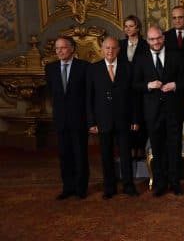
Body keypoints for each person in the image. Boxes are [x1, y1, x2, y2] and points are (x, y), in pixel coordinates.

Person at [133, 26, 184, 196]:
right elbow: (134, 84)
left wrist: (175, 85)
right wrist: (148, 85)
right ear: (147, 40)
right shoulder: (141, 59)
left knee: (174, 146)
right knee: (157, 147)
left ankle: (175, 182)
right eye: (152, 39)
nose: (156, 42)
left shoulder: (176, 55)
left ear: (163, 37)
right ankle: (160, 183)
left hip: (173, 109)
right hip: (152, 111)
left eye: (158, 38)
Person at [86, 37, 139, 199]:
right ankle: (109, 187)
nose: (110, 51)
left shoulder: (128, 67)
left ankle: (128, 186)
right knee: (106, 154)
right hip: (103, 120)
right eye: (107, 48)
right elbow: (89, 98)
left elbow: (134, 96)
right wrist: (92, 122)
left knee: (125, 154)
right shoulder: (93, 69)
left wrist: (135, 119)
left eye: (113, 48)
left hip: (124, 119)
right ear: (102, 50)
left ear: (118, 50)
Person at [44, 36, 89, 200]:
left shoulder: (84, 67)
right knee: (64, 155)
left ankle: (81, 188)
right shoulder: (50, 68)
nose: (59, 51)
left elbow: (87, 95)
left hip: (79, 119)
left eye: (63, 48)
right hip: (61, 119)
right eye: (57, 48)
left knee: (79, 154)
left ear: (72, 48)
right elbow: (52, 94)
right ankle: (67, 187)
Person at [118, 15, 149, 160]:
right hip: (125, 87)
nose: (128, 29)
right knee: (127, 116)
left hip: (141, 85)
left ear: (137, 27)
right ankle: (130, 149)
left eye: (131, 26)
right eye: (126, 26)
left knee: (141, 116)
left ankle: (141, 149)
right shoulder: (120, 45)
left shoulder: (145, 44)